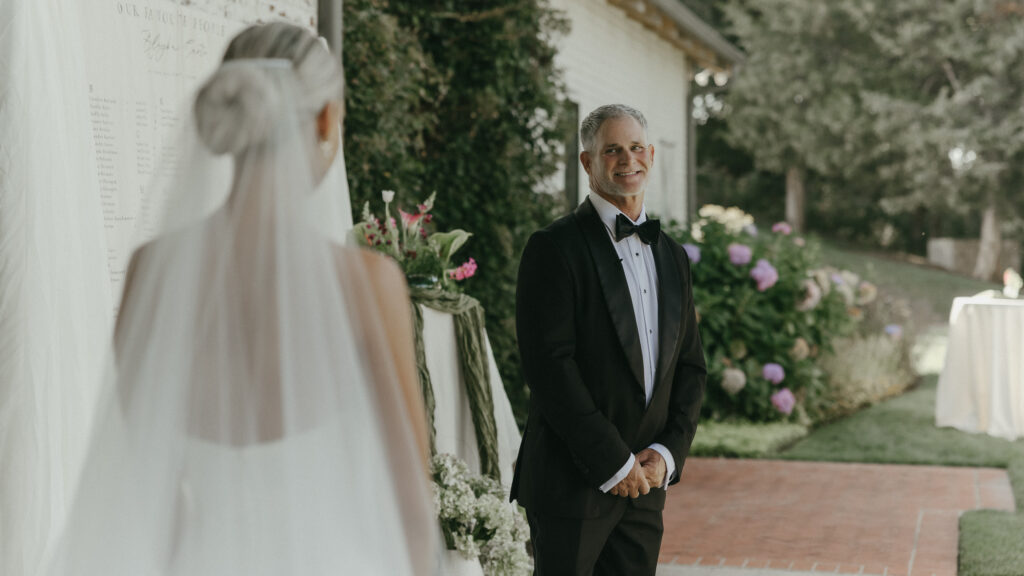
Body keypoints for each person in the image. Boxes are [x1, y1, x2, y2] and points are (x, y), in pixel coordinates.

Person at [48, 22, 437, 575]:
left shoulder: (150, 273)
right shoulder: (367, 284)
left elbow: (152, 497)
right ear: (325, 120)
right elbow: (412, 513)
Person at [511, 104, 706, 575]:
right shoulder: (554, 247)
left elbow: (690, 366)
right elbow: (549, 369)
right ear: (587, 162)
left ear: (652, 155)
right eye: (612, 150)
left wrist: (668, 454)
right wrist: (613, 463)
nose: (627, 160)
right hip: (571, 484)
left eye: (636, 148)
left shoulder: (673, 255)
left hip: (646, 488)